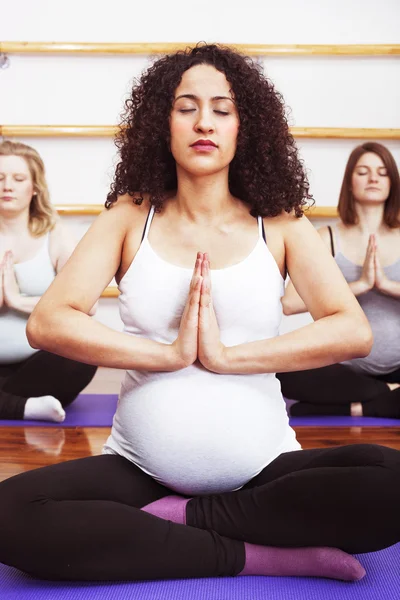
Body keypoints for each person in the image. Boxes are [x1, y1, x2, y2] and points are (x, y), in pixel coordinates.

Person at [0, 44, 399, 584]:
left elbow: (350, 329)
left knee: (390, 482)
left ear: (245, 126)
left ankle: (187, 521)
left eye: (222, 109)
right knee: (10, 515)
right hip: (139, 469)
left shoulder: (280, 224)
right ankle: (255, 554)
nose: (203, 122)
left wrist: (228, 358)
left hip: (264, 470)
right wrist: (168, 355)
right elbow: (49, 321)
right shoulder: (129, 215)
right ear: (161, 123)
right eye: (186, 108)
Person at [278, 142, 400, 418]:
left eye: (382, 172)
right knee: (283, 371)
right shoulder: (327, 238)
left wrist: (387, 286)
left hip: (397, 364)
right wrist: (361, 285)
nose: (373, 178)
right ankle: (390, 396)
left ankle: (356, 406)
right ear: (349, 182)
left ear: (392, 182)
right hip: (344, 368)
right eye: (363, 172)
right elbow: (289, 303)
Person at [0, 141, 97, 422]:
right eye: (0, 178)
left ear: (34, 187)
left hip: (40, 363)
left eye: (18, 179)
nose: (8, 186)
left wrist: (17, 300)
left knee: (84, 349)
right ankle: (27, 407)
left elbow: (86, 306)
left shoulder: (55, 235)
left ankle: (10, 400)